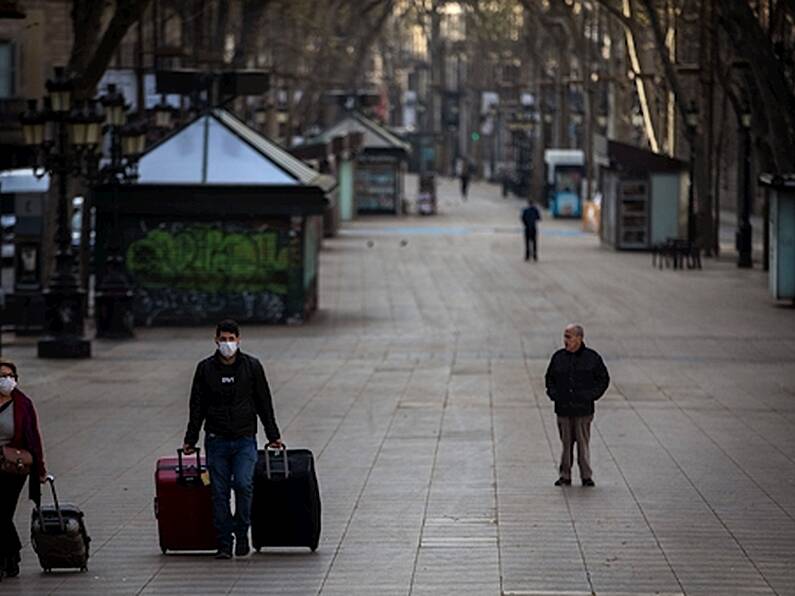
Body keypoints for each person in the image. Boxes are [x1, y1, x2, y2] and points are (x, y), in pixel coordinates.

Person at [183, 320, 283, 559]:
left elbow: (263, 402)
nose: (227, 344)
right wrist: (191, 438)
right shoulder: (205, 369)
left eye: (231, 339)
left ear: (239, 340)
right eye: (223, 339)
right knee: (218, 492)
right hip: (216, 439)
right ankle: (224, 543)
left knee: (243, 485)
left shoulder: (252, 367)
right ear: (216, 341)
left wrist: (273, 435)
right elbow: (197, 406)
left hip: (244, 439)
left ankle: (241, 532)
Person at [544, 325, 609, 487]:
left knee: (582, 443)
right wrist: (554, 395)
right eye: (565, 337)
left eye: (569, 337)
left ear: (579, 338)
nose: (566, 341)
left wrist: (591, 396)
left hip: (583, 410)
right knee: (566, 444)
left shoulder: (592, 358)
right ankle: (565, 475)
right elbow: (549, 378)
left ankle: (586, 476)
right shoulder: (558, 358)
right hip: (564, 409)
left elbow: (603, 379)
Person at [0, 360, 46, 579]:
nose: (6, 380)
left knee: (3, 512)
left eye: (10, 375)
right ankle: (11, 555)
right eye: (1, 376)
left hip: (13, 467)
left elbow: (33, 438)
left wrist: (40, 469)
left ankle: (5, 558)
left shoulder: (22, 404)